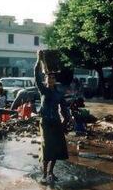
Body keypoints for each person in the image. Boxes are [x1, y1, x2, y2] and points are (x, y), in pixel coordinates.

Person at [35, 50, 70, 184]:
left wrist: (66, 120)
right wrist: (38, 60)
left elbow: (64, 108)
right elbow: (36, 76)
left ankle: (51, 172)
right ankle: (44, 174)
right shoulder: (43, 90)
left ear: (55, 80)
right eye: (48, 78)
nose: (50, 79)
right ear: (46, 80)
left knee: (56, 149)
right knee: (46, 148)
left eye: (53, 78)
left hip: (56, 122)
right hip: (45, 123)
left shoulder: (58, 93)